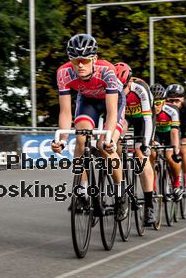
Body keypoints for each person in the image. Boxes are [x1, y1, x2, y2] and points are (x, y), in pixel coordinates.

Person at [51, 34, 128, 221]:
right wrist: (61, 139)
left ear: (94, 58)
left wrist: (109, 138)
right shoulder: (63, 73)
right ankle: (83, 190)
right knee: (80, 138)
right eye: (75, 60)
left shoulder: (107, 71)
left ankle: (120, 193)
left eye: (84, 60)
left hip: (111, 102)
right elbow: (65, 112)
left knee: (105, 147)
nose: (80, 65)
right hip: (88, 102)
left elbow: (111, 113)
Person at [115, 62, 157, 226]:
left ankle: (149, 206)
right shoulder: (114, 88)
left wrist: (146, 144)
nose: (121, 92)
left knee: (141, 156)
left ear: (130, 82)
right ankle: (121, 187)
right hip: (125, 116)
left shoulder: (140, 89)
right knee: (114, 143)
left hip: (143, 118)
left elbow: (147, 119)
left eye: (123, 88)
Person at [150, 84, 182, 203]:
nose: (155, 107)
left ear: (164, 102)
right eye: (153, 103)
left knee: (170, 157)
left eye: (158, 103)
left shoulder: (172, 110)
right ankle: (152, 188)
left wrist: (176, 150)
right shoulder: (148, 110)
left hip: (170, 135)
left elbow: (174, 132)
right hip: (156, 134)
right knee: (151, 155)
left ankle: (177, 184)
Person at [166, 87, 186, 198]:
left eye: (176, 101)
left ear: (183, 99)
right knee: (167, 154)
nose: (173, 104)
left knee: (184, 151)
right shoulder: (163, 107)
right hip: (171, 131)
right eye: (170, 101)